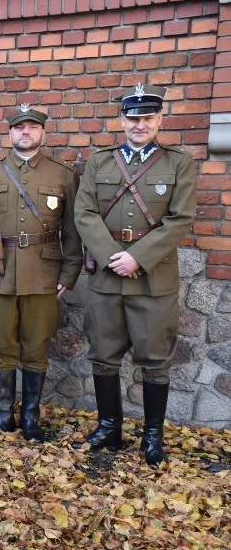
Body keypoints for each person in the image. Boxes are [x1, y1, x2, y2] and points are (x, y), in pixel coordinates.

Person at [72, 84, 195, 466]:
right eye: (132, 118)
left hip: (152, 276)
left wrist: (137, 257)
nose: (139, 124)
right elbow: (85, 213)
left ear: (159, 119)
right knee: (103, 354)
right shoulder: (100, 162)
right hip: (108, 275)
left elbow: (180, 219)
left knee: (155, 357)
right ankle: (109, 427)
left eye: (147, 118)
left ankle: (152, 436)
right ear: (121, 120)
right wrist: (113, 256)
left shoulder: (178, 162)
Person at [0, 106, 82, 441]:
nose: (25, 133)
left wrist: (70, 271)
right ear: (10, 133)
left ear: (42, 132)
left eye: (32, 127)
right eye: (19, 128)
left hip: (44, 273)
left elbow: (73, 230)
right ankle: (3, 415)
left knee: (37, 346)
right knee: (3, 344)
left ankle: (30, 418)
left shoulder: (62, 175)